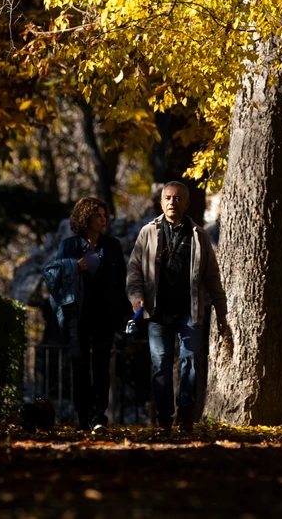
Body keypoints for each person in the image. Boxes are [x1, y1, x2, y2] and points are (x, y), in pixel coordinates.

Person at [125, 181, 229, 431]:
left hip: (189, 311)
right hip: (157, 313)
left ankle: (185, 414)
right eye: (168, 198)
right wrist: (136, 297)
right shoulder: (147, 232)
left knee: (191, 360)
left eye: (178, 198)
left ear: (187, 203)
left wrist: (221, 310)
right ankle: (163, 418)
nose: (173, 202)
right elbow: (134, 271)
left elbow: (212, 277)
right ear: (161, 203)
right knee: (160, 364)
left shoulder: (199, 235)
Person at [53, 196, 129, 430]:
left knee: (102, 365)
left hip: (105, 314)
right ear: (85, 217)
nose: (103, 219)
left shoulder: (113, 245)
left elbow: (121, 280)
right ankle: (83, 416)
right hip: (78, 314)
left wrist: (125, 312)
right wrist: (75, 266)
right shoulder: (69, 245)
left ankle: (98, 416)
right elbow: (55, 276)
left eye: (105, 215)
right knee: (79, 366)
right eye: (98, 215)